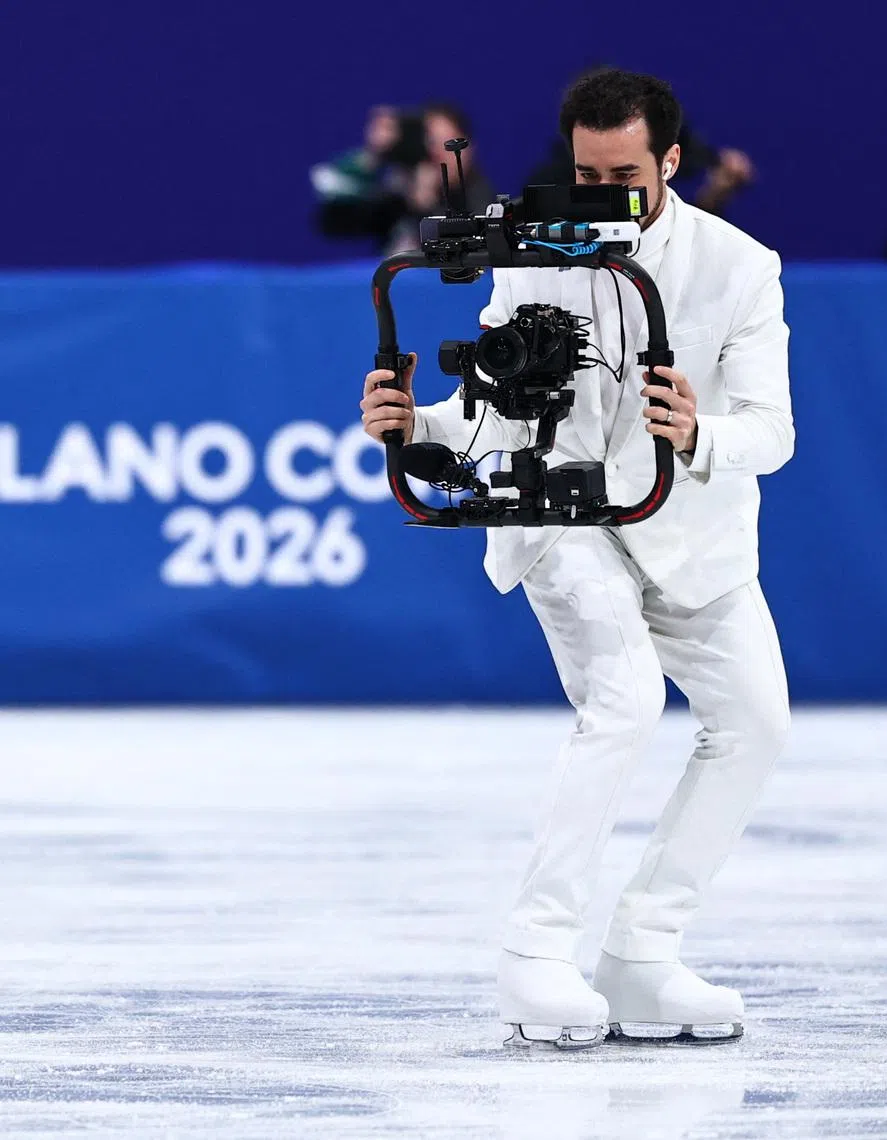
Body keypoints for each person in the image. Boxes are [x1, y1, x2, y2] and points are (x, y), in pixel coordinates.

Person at [360, 68, 793, 1048]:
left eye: (626, 176)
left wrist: (699, 432)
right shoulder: (530, 251)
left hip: (693, 531)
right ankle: (535, 957)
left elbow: (774, 430)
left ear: (671, 161)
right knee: (626, 699)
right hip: (565, 518)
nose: (603, 196)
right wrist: (414, 423)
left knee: (757, 724)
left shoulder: (741, 266)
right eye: (587, 173)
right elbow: (495, 405)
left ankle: (641, 954)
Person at [311, 103, 496, 255]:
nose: (436, 152)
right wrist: (373, 157)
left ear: (468, 148)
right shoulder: (401, 194)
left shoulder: (481, 199)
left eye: (447, 142)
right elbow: (332, 221)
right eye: (429, 142)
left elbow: (472, 256)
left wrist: (428, 208)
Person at [525, 108, 754, 218]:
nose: (606, 188)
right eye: (589, 175)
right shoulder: (550, 181)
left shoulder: (748, 265)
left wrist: (713, 197)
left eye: (623, 175)